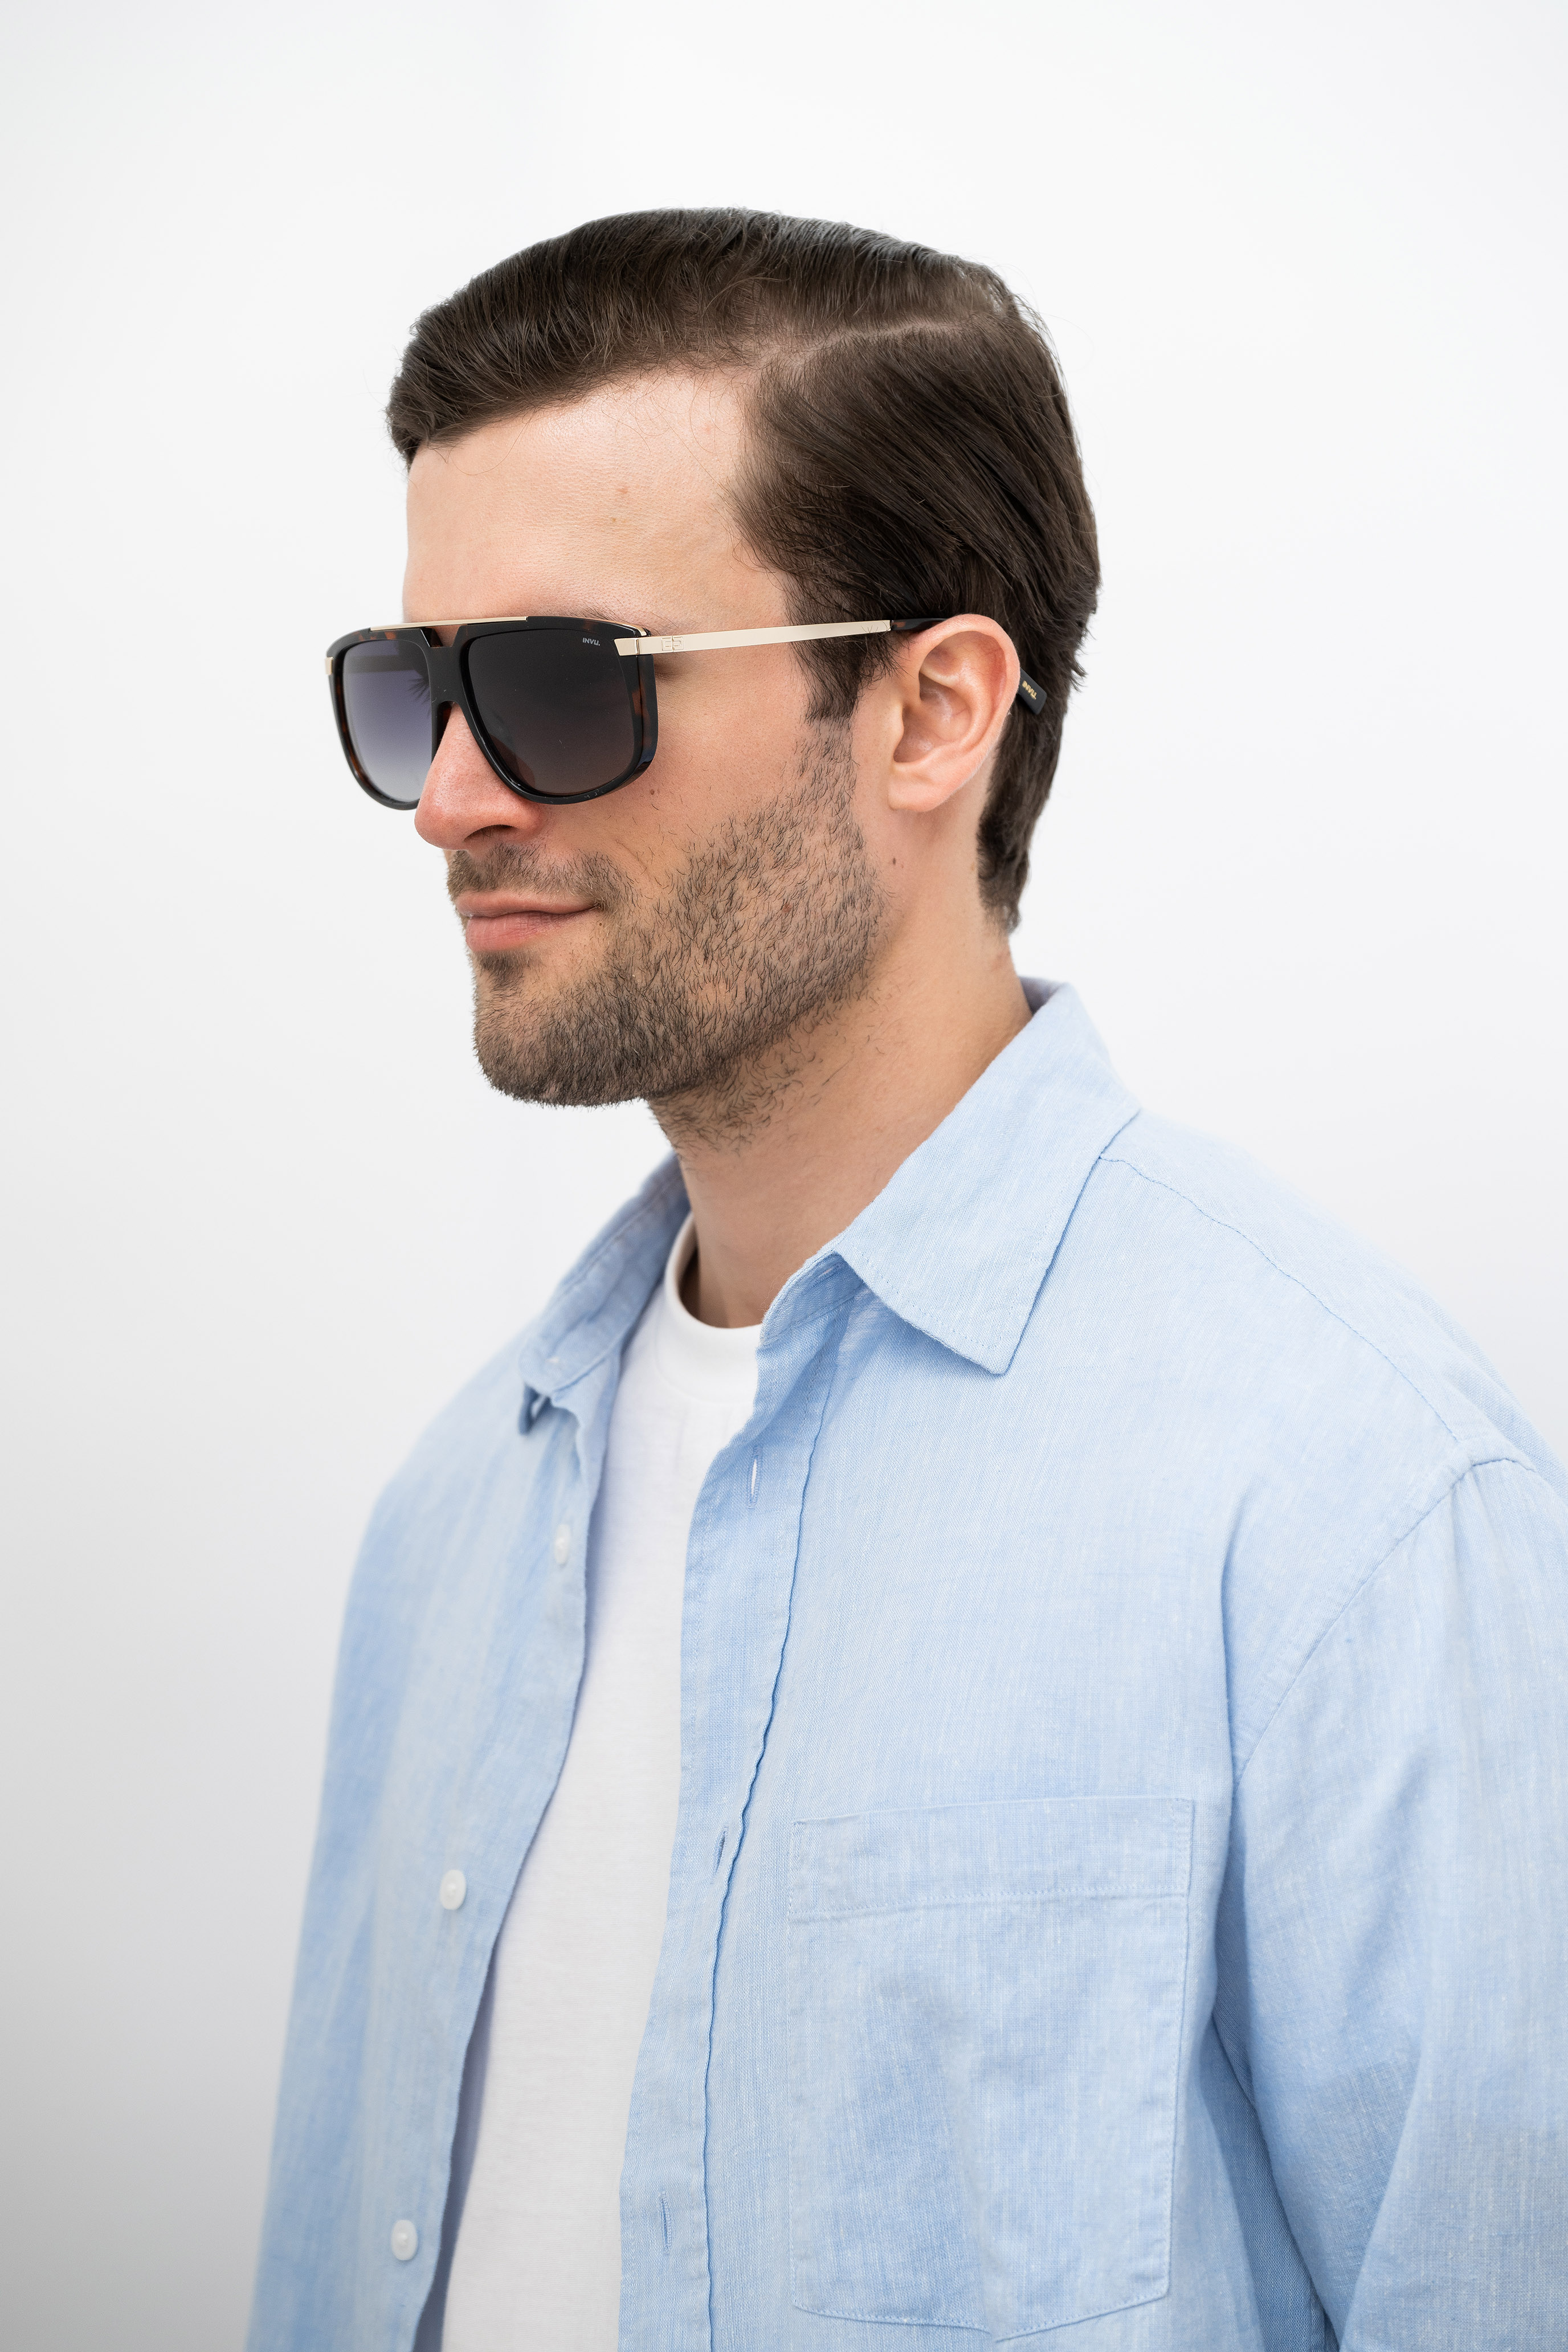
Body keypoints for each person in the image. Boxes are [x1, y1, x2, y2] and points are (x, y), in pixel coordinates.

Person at [249, 211, 1568, 2352]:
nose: (453, 802)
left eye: (567, 684)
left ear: (933, 709)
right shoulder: (453, 1523)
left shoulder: (1354, 1514)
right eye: (420, 691)